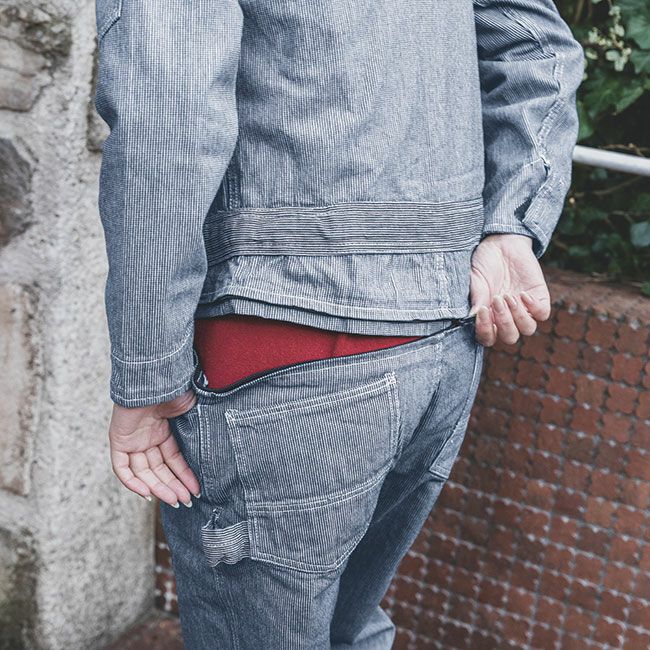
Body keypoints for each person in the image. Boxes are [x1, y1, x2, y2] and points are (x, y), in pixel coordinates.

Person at [94, 0, 584, 647]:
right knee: (348, 629)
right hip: (436, 342)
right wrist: (510, 223)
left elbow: (168, 119)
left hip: (281, 347)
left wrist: (148, 378)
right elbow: (535, 45)